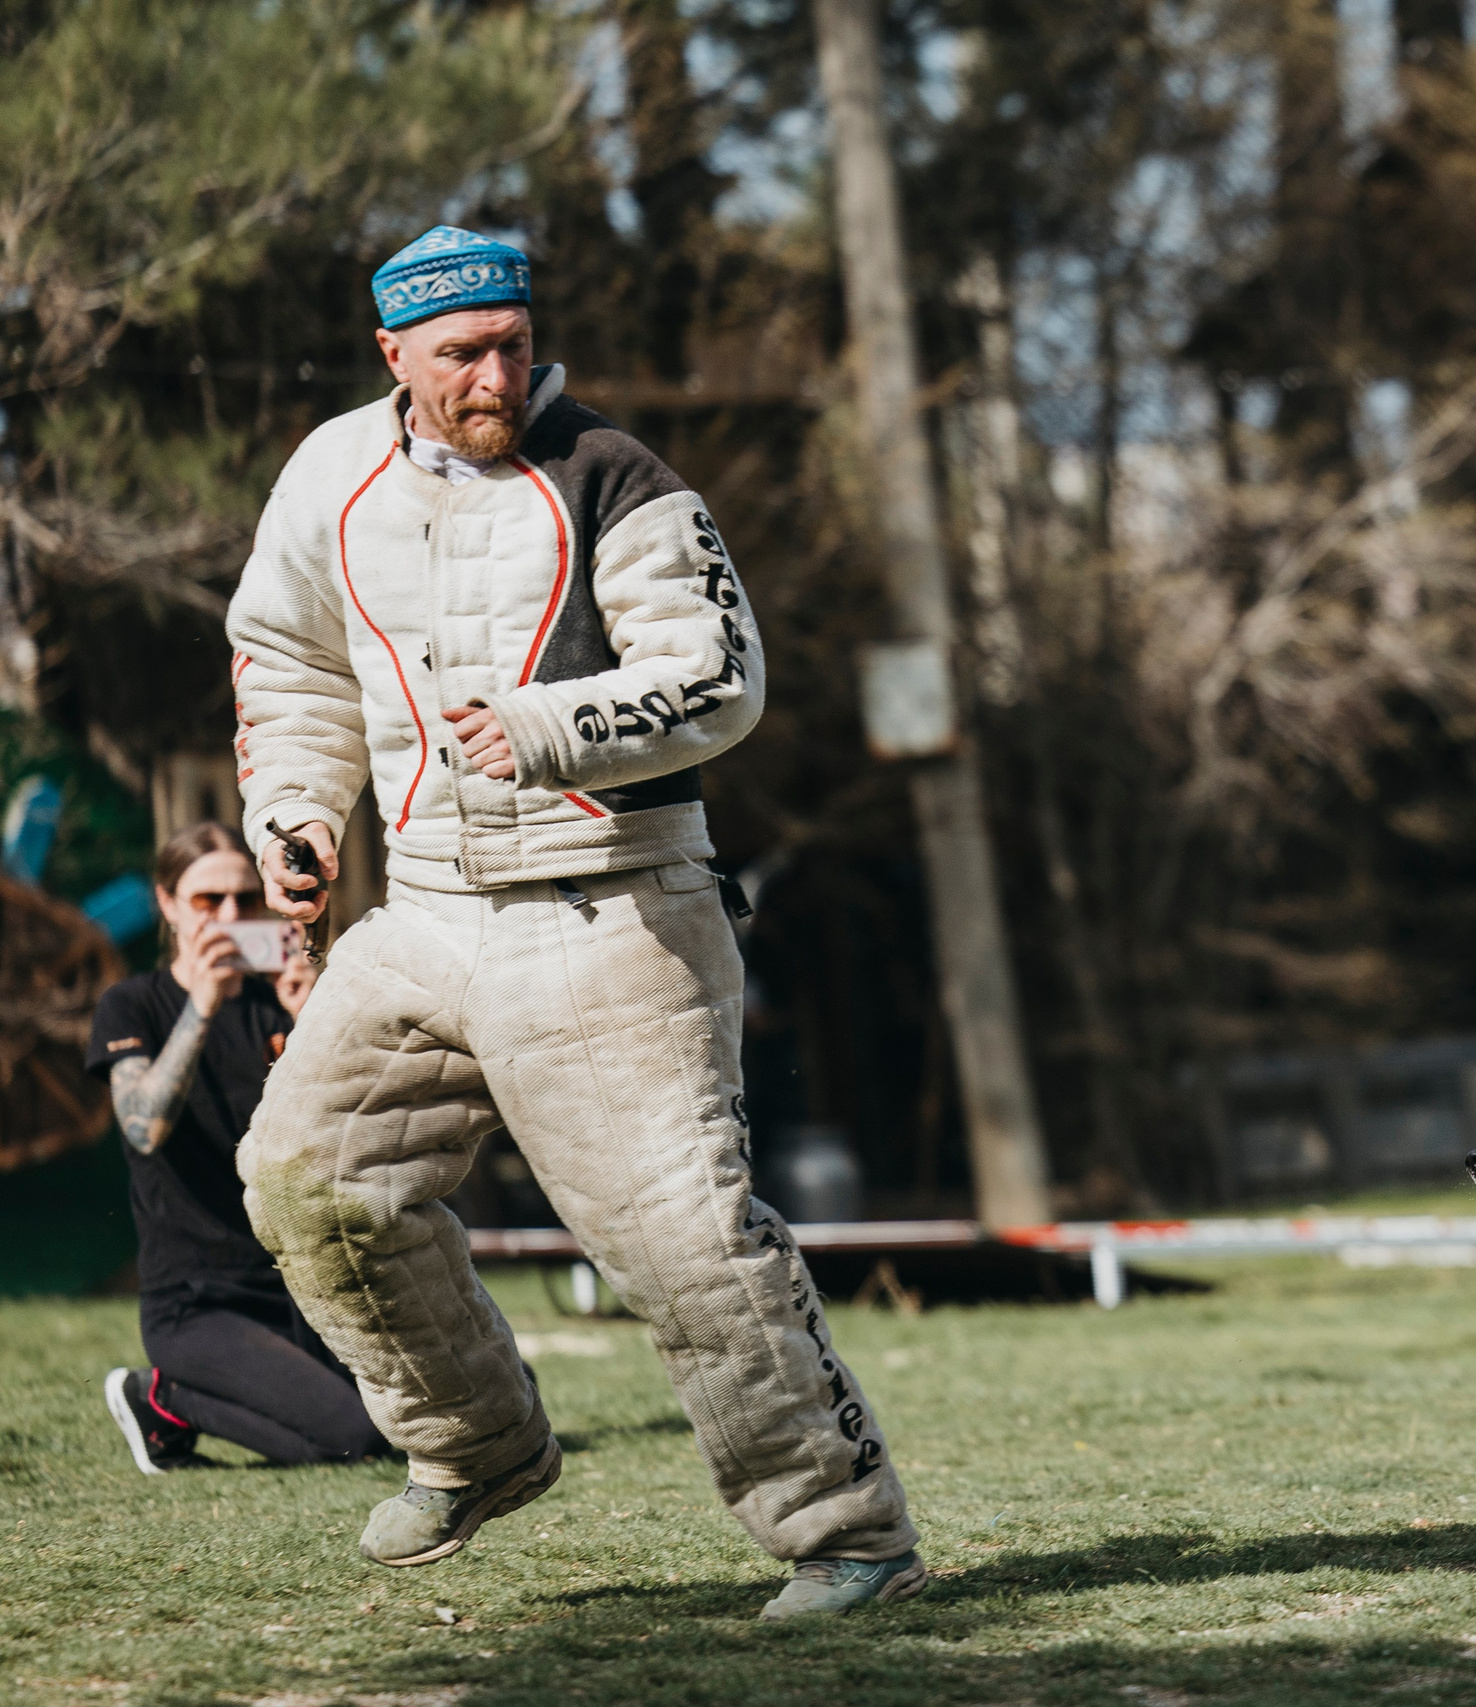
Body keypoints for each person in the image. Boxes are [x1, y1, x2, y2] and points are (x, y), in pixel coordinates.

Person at [224, 225, 916, 1616]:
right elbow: (290, 663)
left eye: (513, 344)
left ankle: (851, 1537)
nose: (495, 375)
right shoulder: (327, 476)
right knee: (308, 1180)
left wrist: (547, 727)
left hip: (613, 912)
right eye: (461, 354)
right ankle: (477, 1443)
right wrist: (297, 815)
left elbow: (719, 675)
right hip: (422, 914)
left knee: (687, 1250)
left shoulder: (619, 477)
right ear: (392, 353)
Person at [91, 822, 388, 1473]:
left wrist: (312, 1023)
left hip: (299, 1289)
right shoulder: (133, 1005)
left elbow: (354, 1135)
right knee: (354, 1437)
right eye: (208, 900)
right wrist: (201, 1007)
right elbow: (143, 1128)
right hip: (196, 1302)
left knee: (439, 1407)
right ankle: (161, 1398)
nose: (228, 916)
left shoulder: (279, 1002)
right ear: (167, 904)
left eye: (245, 900)